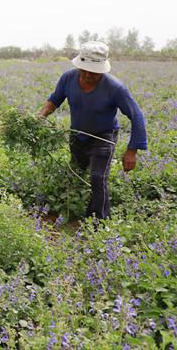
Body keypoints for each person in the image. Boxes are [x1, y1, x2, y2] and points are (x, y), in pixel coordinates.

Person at [38, 41, 147, 220]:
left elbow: (137, 116)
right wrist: (39, 118)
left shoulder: (115, 88)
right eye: (84, 70)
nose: (88, 75)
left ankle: (98, 223)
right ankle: (73, 208)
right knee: (77, 171)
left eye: (93, 72)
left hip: (103, 136)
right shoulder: (68, 78)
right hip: (77, 135)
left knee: (97, 177)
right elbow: (54, 100)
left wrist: (132, 151)